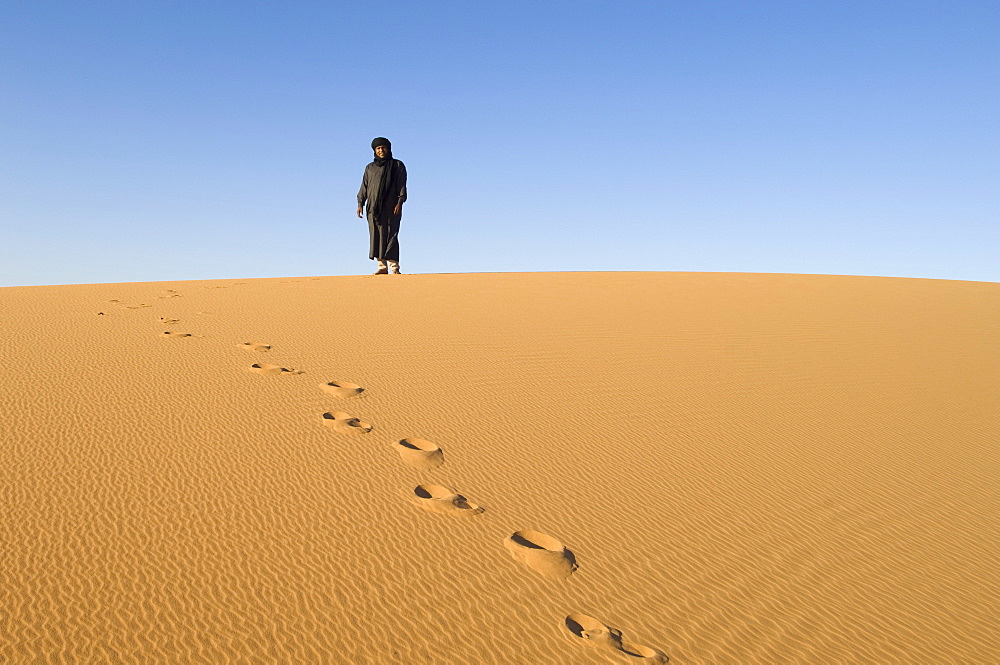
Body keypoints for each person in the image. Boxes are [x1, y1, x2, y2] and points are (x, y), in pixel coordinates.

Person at [356, 137, 407, 274]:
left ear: (388, 149)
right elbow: (364, 187)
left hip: (392, 207)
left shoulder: (397, 165)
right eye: (378, 148)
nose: (381, 150)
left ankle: (394, 267)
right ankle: (381, 267)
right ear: (374, 150)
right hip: (373, 208)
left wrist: (400, 202)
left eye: (383, 147)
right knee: (376, 235)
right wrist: (360, 203)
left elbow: (402, 185)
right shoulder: (370, 168)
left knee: (391, 234)